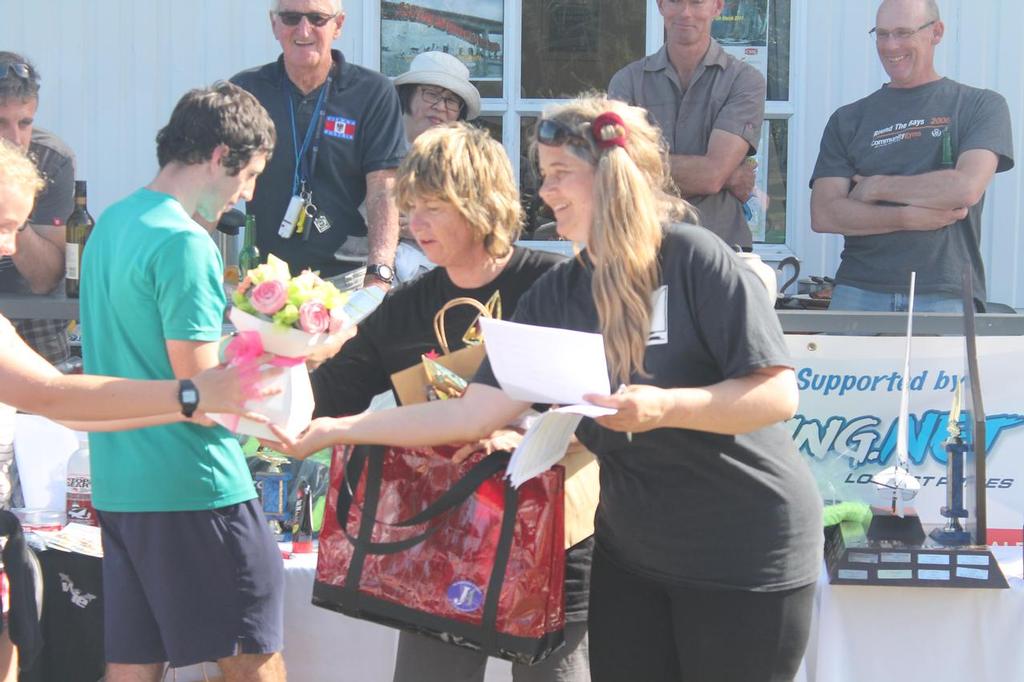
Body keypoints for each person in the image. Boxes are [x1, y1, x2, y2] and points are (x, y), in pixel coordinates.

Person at [269, 95, 822, 682]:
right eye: (543, 175)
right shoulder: (559, 293)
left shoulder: (691, 256)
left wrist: (662, 407)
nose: (547, 191)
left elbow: (776, 395)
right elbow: (473, 413)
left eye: (561, 175)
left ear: (611, 176)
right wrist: (335, 430)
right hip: (633, 555)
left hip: (744, 547)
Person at [310, 122, 593, 682]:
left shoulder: (555, 284)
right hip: (445, 542)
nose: (416, 225)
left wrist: (522, 429)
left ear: (480, 202)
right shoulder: (402, 308)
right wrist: (279, 356)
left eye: (434, 207)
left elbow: (603, 404)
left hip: (555, 540)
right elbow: (325, 398)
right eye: (411, 208)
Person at [79, 83, 286, 682]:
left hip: (120, 485)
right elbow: (199, 393)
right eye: (248, 175)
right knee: (253, 662)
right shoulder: (185, 241)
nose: (247, 194)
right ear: (220, 156)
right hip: (195, 486)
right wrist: (290, 354)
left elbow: (148, 356)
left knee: (133, 668)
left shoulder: (112, 223)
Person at [810, 0, 1014, 312]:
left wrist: (875, 188)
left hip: (944, 292)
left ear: (937, 32)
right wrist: (907, 217)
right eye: (882, 34)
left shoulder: (980, 105)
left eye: (904, 33)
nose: (891, 46)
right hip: (859, 290)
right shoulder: (848, 119)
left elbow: (964, 188)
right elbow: (824, 213)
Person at [231, 0, 405, 291]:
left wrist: (379, 275)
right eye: (290, 17)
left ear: (338, 25)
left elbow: (383, 189)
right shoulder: (246, 91)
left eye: (317, 18)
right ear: (274, 24)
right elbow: (213, 172)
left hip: (349, 281)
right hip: (265, 280)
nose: (303, 29)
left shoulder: (373, 92)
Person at [608, 0, 765, 249]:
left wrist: (644, 167)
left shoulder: (744, 80)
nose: (685, 12)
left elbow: (711, 175)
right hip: (641, 248)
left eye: (697, 2)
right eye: (675, 1)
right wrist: (729, 176)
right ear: (660, 5)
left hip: (721, 249)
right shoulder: (627, 81)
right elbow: (617, 171)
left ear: (717, 6)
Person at [0, 52, 74, 365]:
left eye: (25, 123)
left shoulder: (51, 160)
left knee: (53, 405)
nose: (15, 139)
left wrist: (11, 218)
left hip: (31, 313)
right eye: (0, 123)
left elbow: (45, 280)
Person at [391, 50, 482, 283]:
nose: (441, 107)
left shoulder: (470, 162)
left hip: (444, 281)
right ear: (407, 95)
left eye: (451, 100)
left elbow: (486, 231)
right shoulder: (377, 146)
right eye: (431, 94)